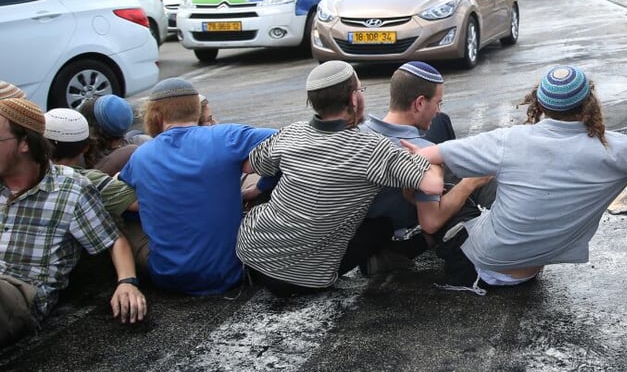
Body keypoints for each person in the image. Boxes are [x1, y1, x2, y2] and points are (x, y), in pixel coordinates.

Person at [410, 66, 627, 290]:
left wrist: (448, 182)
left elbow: (425, 156)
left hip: (479, 267)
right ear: (590, 103)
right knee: (490, 178)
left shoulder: (508, 140)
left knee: (452, 178)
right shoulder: (621, 149)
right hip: (531, 270)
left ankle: (418, 241)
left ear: (539, 104)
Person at [236, 61, 442, 296]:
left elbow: (249, 166)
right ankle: (408, 249)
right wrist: (425, 156)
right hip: (306, 279)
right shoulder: (372, 148)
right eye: (361, 90)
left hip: (251, 254)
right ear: (354, 99)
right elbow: (432, 184)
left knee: (279, 190)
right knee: (379, 226)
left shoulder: (291, 133)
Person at [0, 98, 146, 347]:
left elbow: (112, 239)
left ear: (25, 142)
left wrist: (127, 282)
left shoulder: (72, 187)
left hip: (19, 292)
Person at [118, 78, 275, 295]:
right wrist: (261, 185)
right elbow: (290, 142)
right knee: (251, 176)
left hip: (166, 278)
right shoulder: (226, 137)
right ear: (196, 110)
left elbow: (122, 193)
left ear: (157, 115)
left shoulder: (140, 156)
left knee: (123, 216)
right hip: (229, 273)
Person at [361, 62, 493, 272]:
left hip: (364, 227)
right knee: (459, 181)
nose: (438, 109)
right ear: (420, 103)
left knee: (441, 122)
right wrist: (470, 183)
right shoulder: (422, 154)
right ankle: (426, 242)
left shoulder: (358, 134)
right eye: (438, 102)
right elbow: (431, 221)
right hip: (395, 225)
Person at [44, 108, 140, 227]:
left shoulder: (27, 171)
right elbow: (146, 204)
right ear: (85, 147)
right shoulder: (89, 180)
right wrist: (117, 179)